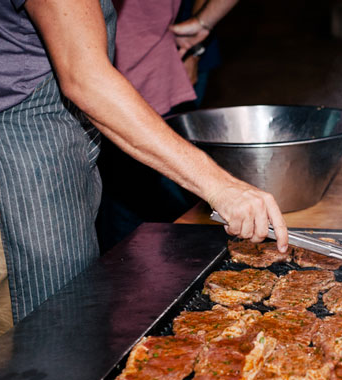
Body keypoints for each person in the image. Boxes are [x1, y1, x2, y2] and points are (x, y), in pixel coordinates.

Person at [0, 0, 288, 345]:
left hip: (35, 152)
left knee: (71, 329)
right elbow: (86, 79)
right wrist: (222, 186)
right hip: (9, 167)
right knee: (47, 346)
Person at [95, 0, 240, 253]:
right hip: (108, 83)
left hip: (155, 70)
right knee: (124, 199)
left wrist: (200, 32)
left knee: (148, 201)